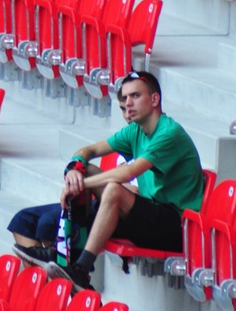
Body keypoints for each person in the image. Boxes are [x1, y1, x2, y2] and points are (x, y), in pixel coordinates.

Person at [46, 70, 204, 293]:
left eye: (135, 96)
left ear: (155, 99)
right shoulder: (135, 130)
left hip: (178, 226)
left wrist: (81, 184)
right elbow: (89, 150)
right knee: (88, 171)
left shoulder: (169, 133)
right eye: (125, 98)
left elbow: (127, 173)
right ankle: (68, 250)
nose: (127, 103)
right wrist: (75, 168)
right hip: (153, 211)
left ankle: (81, 270)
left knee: (113, 191)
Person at [8, 87, 135, 267]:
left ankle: (61, 272)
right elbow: (86, 152)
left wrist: (84, 182)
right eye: (122, 108)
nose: (128, 112)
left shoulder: (161, 138)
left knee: (47, 223)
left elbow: (135, 189)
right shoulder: (131, 135)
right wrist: (74, 168)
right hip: (102, 200)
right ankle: (48, 282)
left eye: (134, 99)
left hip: (122, 210)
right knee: (23, 219)